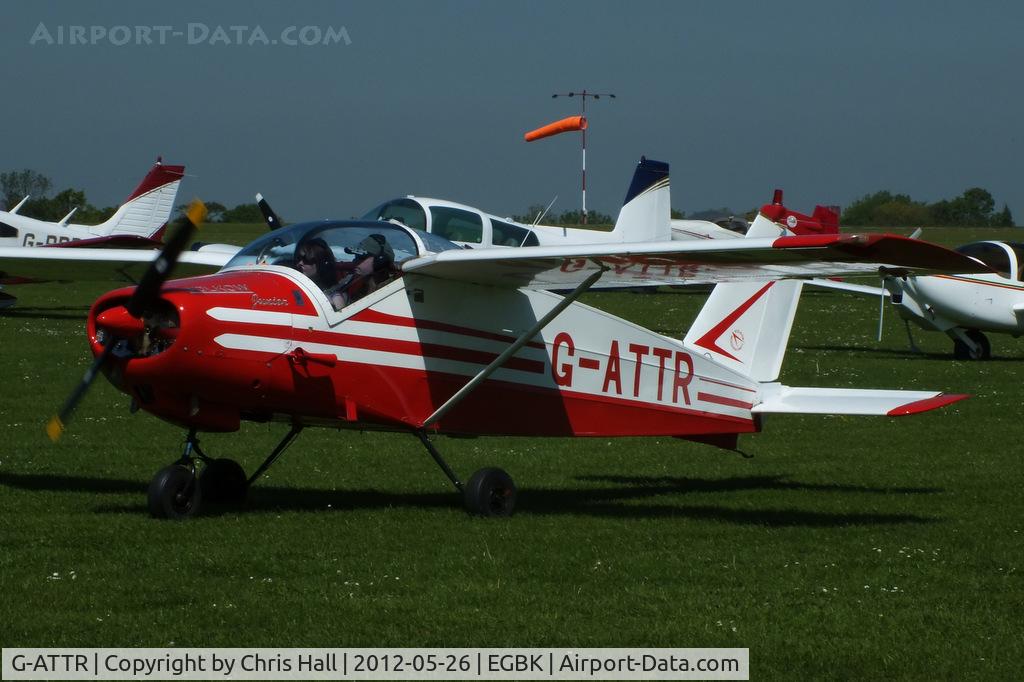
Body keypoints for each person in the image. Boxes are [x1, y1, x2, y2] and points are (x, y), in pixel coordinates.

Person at [328, 234, 395, 309]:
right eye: (356, 256)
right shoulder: (355, 278)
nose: (355, 261)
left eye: (361, 257)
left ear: (380, 262)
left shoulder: (392, 290)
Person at [293, 238, 345, 308]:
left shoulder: (335, 299)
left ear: (322, 263)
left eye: (306, 259)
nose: (300, 263)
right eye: (299, 258)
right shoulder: (298, 287)